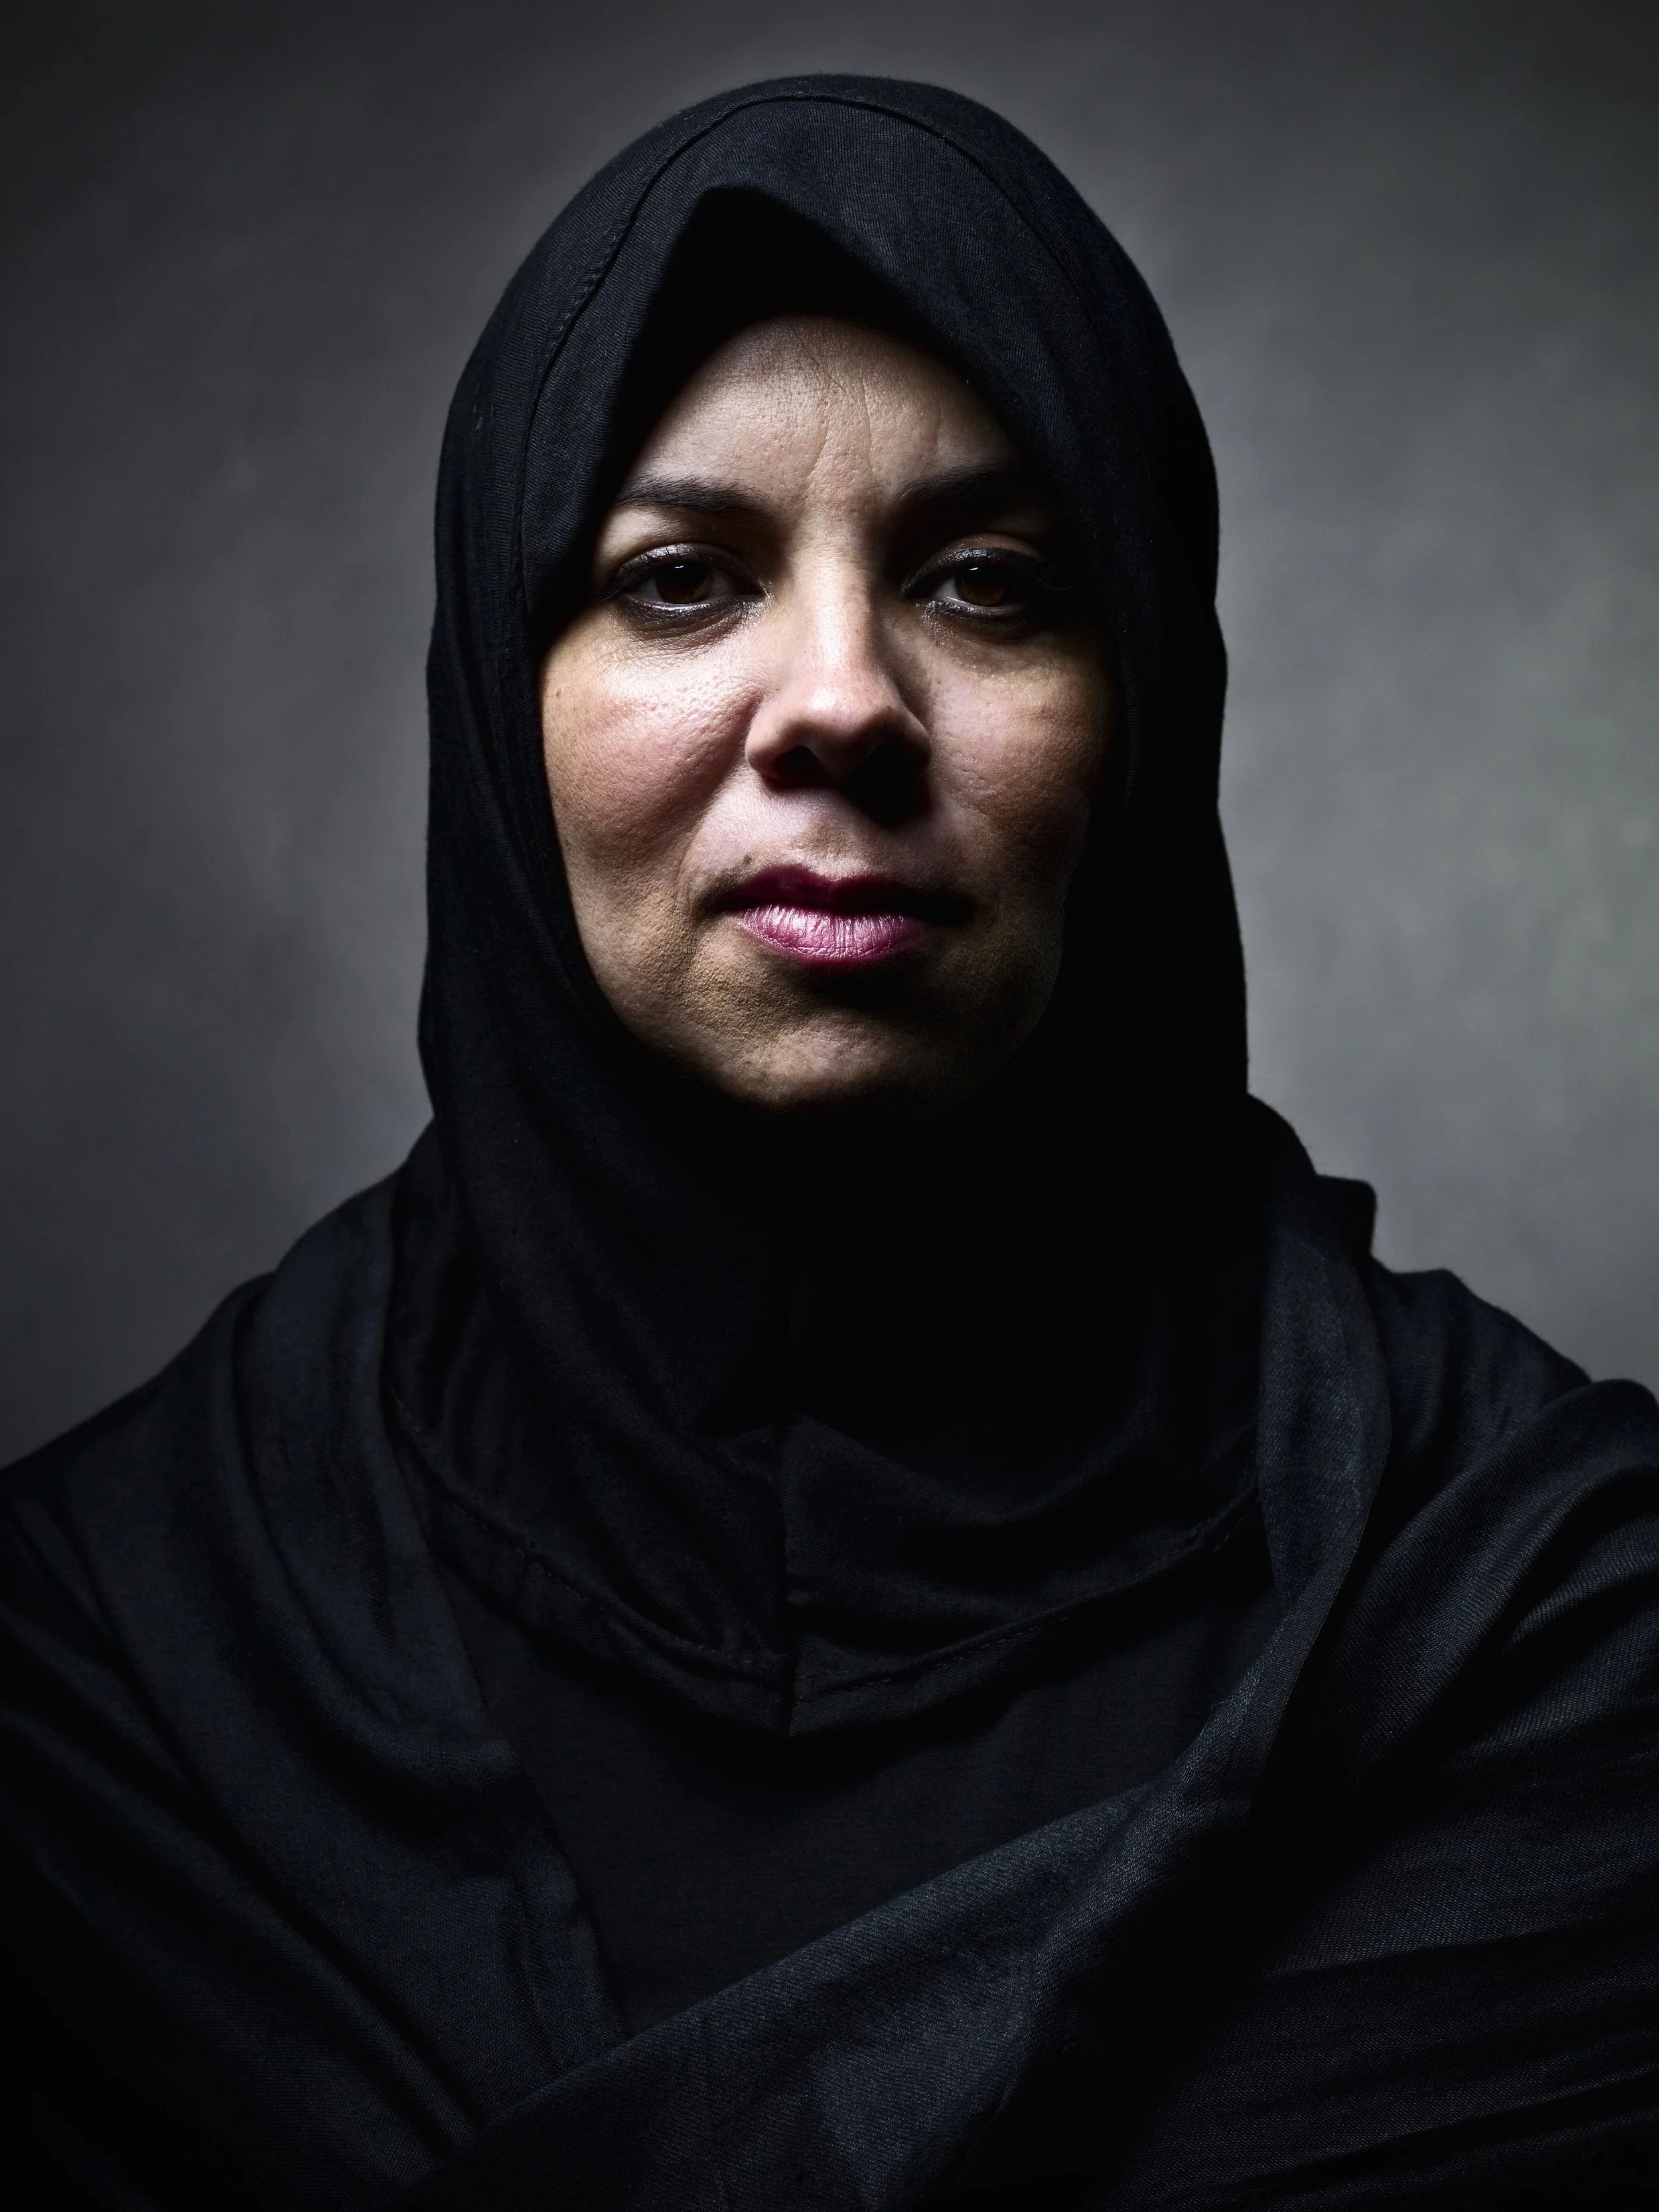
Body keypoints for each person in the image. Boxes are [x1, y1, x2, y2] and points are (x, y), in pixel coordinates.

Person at [2, 74, 1656, 2212]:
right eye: (682, 580)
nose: (842, 701)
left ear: (1144, 705)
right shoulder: (96, 1688)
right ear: (499, 701)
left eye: (983, 584)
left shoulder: (1551, 1639)